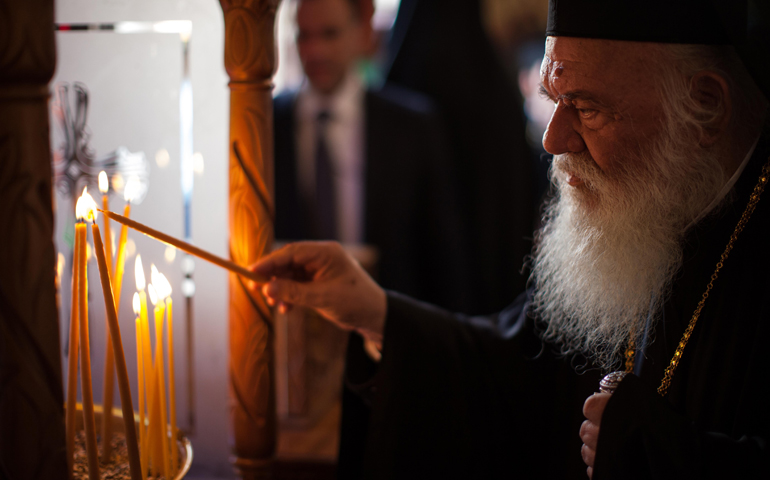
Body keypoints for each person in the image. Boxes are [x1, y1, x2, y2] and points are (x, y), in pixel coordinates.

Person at [256, 0, 770, 478]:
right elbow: (514, 371)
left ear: (704, 106)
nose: (553, 140)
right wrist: (376, 314)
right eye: (553, 100)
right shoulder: (643, 216)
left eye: (586, 108)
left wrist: (656, 454)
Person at [273, 0, 468, 312]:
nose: (315, 51)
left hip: (389, 326)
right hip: (293, 323)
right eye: (304, 36)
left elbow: (442, 256)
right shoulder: (269, 123)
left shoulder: (412, 126)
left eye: (329, 34)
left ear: (360, 31)